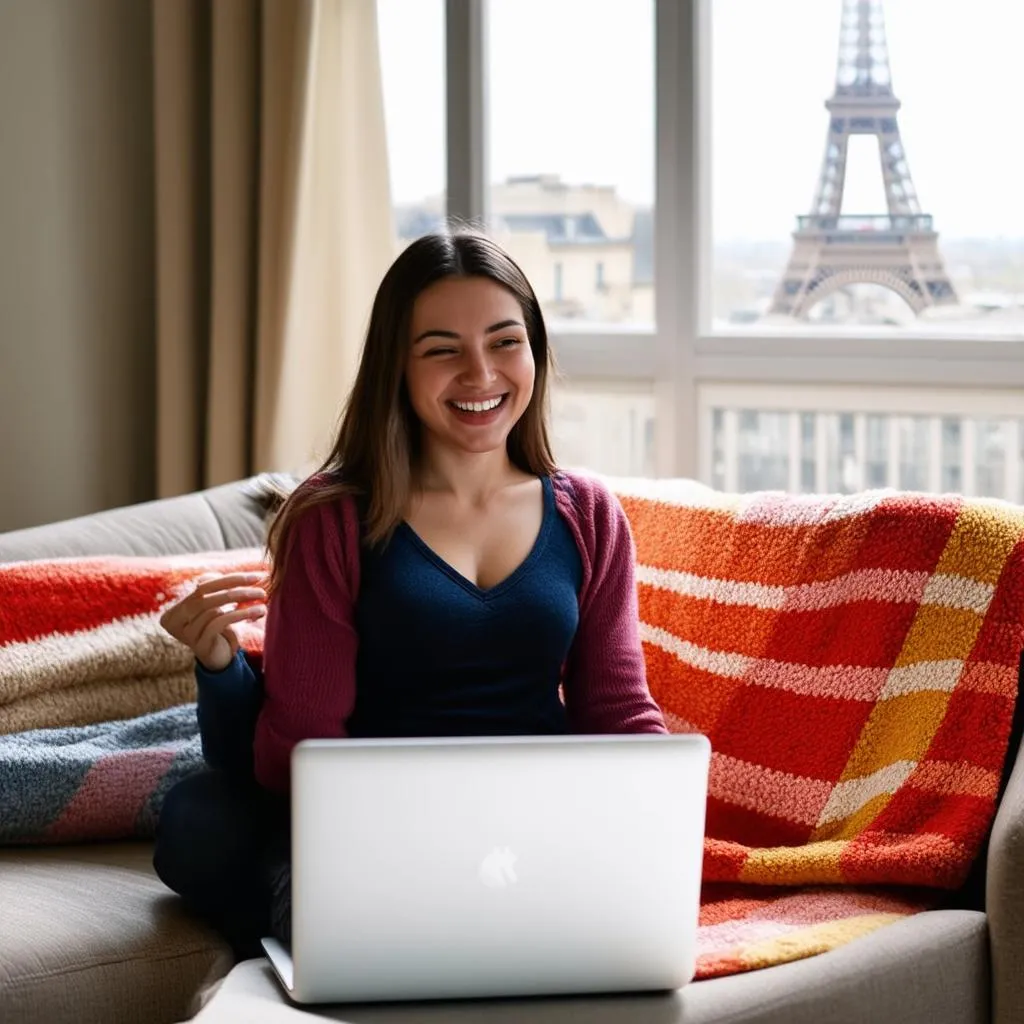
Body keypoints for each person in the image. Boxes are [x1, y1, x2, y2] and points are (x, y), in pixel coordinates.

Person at [153, 229, 668, 959]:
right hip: (375, 838)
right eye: (441, 349)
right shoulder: (331, 519)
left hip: (534, 831)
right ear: (396, 365)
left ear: (536, 353)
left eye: (504, 342)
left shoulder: (587, 513)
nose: (480, 373)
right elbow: (299, 746)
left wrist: (663, 817)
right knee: (200, 820)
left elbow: (617, 712)